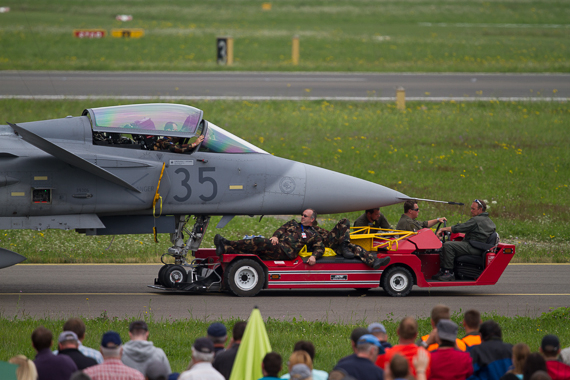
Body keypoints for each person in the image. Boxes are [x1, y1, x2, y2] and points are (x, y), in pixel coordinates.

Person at [434, 199, 496, 281]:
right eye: (471, 208)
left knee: (448, 245)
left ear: (480, 209)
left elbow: (460, 228)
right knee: (444, 247)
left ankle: (448, 272)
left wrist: (443, 229)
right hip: (479, 246)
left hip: (474, 247)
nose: (471, 211)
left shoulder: (477, 220)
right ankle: (443, 270)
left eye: (473, 209)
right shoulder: (489, 221)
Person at [312, 217, 390, 269]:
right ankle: (344, 246)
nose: (303, 217)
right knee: (344, 221)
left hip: (331, 243)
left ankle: (374, 261)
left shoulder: (315, 227)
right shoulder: (307, 230)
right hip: (325, 243)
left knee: (355, 247)